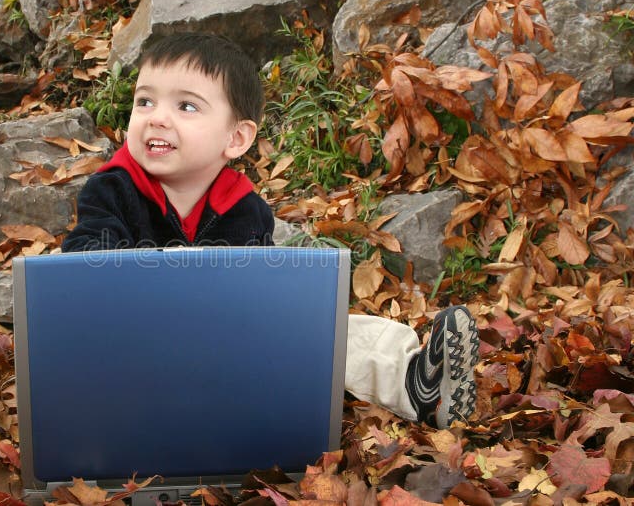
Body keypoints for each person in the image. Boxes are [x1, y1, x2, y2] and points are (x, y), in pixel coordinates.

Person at [62, 32, 479, 429]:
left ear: (236, 138)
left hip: (223, 365)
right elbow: (86, 262)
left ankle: (416, 383)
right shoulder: (112, 189)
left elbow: (258, 296)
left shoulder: (245, 209)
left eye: (186, 106)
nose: (157, 119)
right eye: (145, 102)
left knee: (322, 326)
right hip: (140, 356)